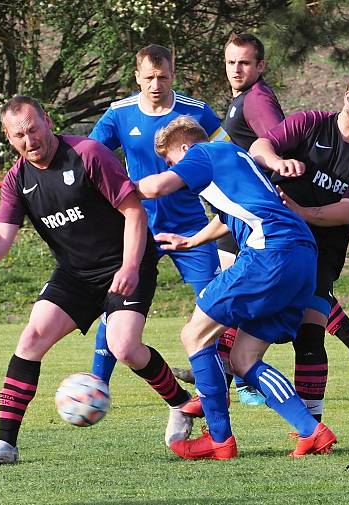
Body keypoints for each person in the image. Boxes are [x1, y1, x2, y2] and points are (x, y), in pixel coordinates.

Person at [0, 96, 194, 466]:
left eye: (33, 129)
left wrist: (129, 267)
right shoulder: (17, 180)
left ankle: (180, 404)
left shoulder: (88, 153)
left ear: (47, 121)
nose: (29, 140)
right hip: (76, 274)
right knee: (31, 338)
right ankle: (5, 444)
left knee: (125, 347)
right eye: (19, 135)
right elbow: (0, 240)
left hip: (126, 263)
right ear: (8, 138)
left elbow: (133, 212)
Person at [172, 33, 349, 395]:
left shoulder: (257, 100)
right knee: (244, 300)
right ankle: (224, 375)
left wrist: (280, 167)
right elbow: (263, 149)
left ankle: (225, 375)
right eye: (231, 62)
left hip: (280, 227)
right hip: (259, 218)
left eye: (245, 62)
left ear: (260, 67)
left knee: (282, 318)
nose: (237, 69)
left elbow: (269, 139)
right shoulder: (243, 102)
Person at [136, 116, 337, 459]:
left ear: (185, 147)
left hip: (268, 252)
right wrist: (191, 241)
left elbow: (155, 188)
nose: (173, 169)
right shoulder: (236, 158)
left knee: (194, 336)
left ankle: (219, 439)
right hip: (302, 256)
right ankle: (312, 430)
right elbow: (227, 218)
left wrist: (111, 186)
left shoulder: (202, 152)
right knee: (244, 358)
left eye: (171, 161)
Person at [85, 44, 257, 402]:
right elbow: (90, 156)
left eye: (163, 77)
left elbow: (227, 153)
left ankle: (230, 380)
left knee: (214, 304)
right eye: (148, 78)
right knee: (117, 299)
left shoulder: (198, 112)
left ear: (173, 74)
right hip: (138, 228)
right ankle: (97, 383)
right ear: (137, 77)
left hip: (191, 227)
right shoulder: (120, 114)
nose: (156, 84)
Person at [249, 67, 349, 420]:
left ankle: (312, 426)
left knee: (310, 334)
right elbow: (259, 147)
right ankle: (212, 396)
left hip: (320, 254)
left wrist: (301, 212)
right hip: (276, 242)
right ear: (348, 98)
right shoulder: (311, 123)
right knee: (244, 316)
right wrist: (276, 161)